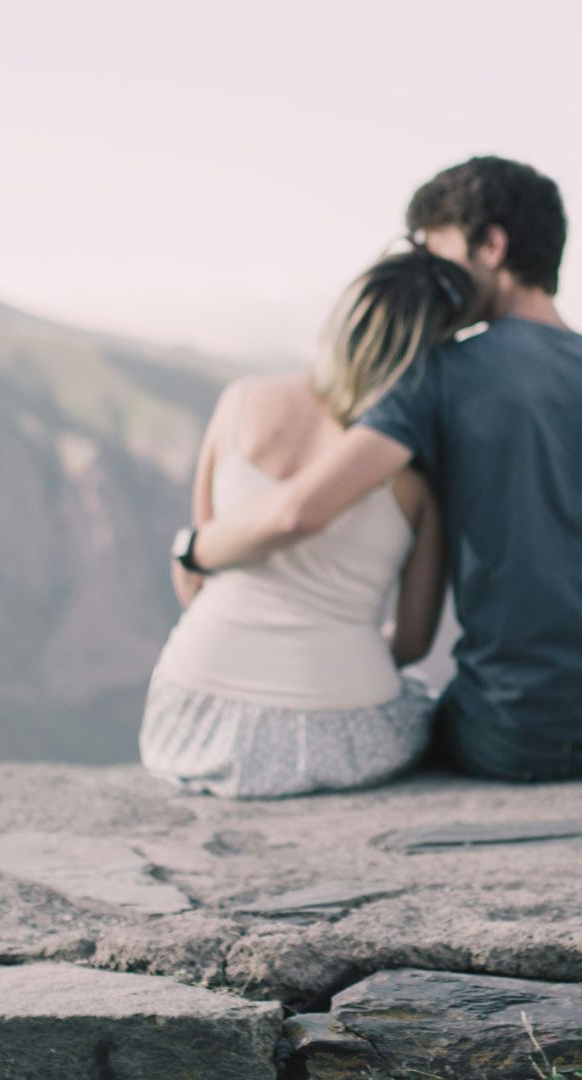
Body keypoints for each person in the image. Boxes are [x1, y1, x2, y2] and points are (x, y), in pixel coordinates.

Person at [180, 156, 582, 782]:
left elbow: (306, 506)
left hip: (512, 739)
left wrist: (196, 548)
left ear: (491, 245)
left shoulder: (439, 376)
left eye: (436, 252)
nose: (429, 275)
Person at [139, 252, 476, 797]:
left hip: (190, 719)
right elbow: (413, 641)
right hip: (342, 733)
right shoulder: (419, 475)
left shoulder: (240, 402)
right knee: (420, 698)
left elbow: (194, 581)